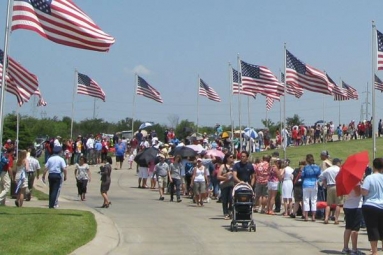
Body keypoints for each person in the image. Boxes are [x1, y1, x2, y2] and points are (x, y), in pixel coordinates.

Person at [361, 158, 383, 255]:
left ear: (373, 166)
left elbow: (364, 192)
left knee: (372, 228)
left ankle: (374, 251)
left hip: (370, 205)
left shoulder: (369, 178)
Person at [341, 182, 363, 255]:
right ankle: (354, 249)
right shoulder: (356, 182)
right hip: (355, 206)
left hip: (348, 205)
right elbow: (357, 193)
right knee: (355, 229)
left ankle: (345, 248)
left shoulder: (345, 182)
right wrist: (362, 188)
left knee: (348, 227)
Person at [319, 158, 342, 224]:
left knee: (328, 204)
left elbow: (321, 177)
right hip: (337, 186)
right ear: (337, 163)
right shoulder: (339, 169)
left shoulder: (328, 170)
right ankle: (336, 219)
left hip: (329, 186)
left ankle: (326, 218)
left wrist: (325, 183)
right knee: (338, 204)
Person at [301, 154, 321, 221]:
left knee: (306, 200)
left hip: (306, 184)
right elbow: (320, 176)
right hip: (314, 184)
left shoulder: (305, 167)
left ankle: (306, 216)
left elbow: (302, 175)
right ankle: (313, 216)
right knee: (314, 200)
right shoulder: (317, 167)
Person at [217, 152, 235, 219]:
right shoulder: (223, 166)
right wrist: (225, 178)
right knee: (225, 200)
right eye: (230, 157)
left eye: (233, 157)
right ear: (227, 158)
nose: (232, 159)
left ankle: (230, 211)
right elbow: (218, 176)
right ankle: (225, 213)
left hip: (232, 185)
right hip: (224, 185)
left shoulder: (234, 166)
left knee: (231, 199)